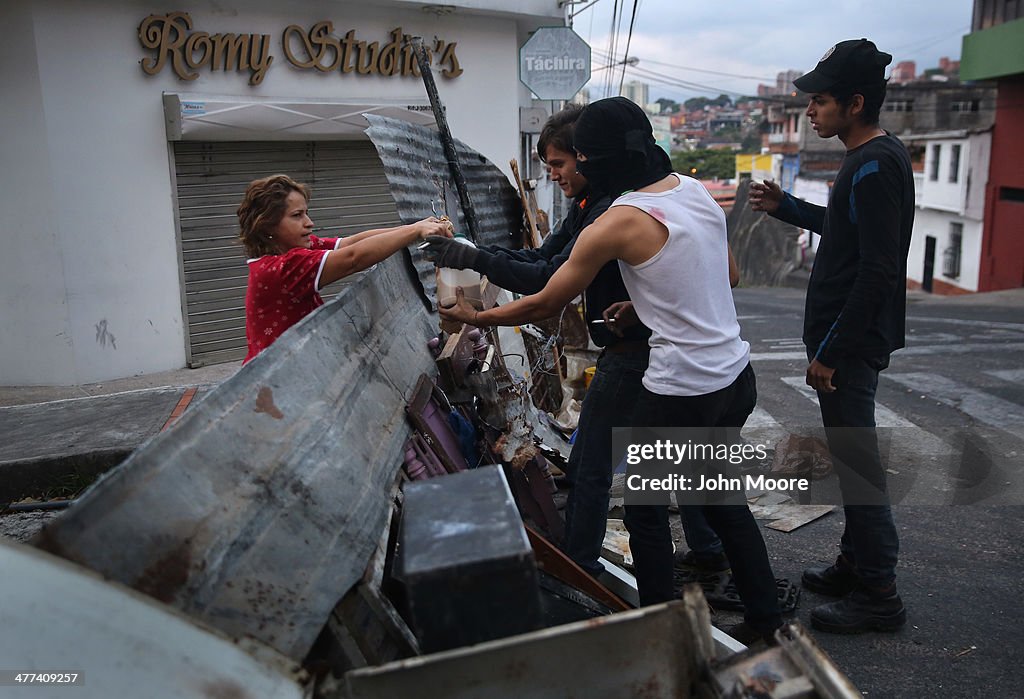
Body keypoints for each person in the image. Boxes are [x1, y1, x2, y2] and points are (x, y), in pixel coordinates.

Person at [440, 97, 782, 644]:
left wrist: (475, 314)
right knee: (722, 502)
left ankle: (664, 635)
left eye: (576, 159)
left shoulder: (616, 221)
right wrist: (645, 303)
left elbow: (543, 302)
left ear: (593, 160)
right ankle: (767, 622)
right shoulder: (695, 193)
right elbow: (727, 275)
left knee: (646, 517)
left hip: (681, 388)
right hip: (734, 376)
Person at [749, 38, 913, 634]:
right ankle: (855, 564)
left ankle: (879, 593)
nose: (810, 111)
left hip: (848, 346)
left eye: (820, 102)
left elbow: (876, 269)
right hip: (845, 341)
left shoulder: (873, 166)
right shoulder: (866, 160)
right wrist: (786, 206)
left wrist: (831, 352)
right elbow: (844, 233)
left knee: (858, 468)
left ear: (856, 102)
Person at [238, 174, 451, 363]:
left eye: (306, 213)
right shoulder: (282, 268)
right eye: (297, 215)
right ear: (267, 225)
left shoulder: (291, 252)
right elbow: (353, 258)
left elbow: (350, 243)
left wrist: (418, 226)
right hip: (276, 377)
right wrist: (415, 231)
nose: (309, 223)